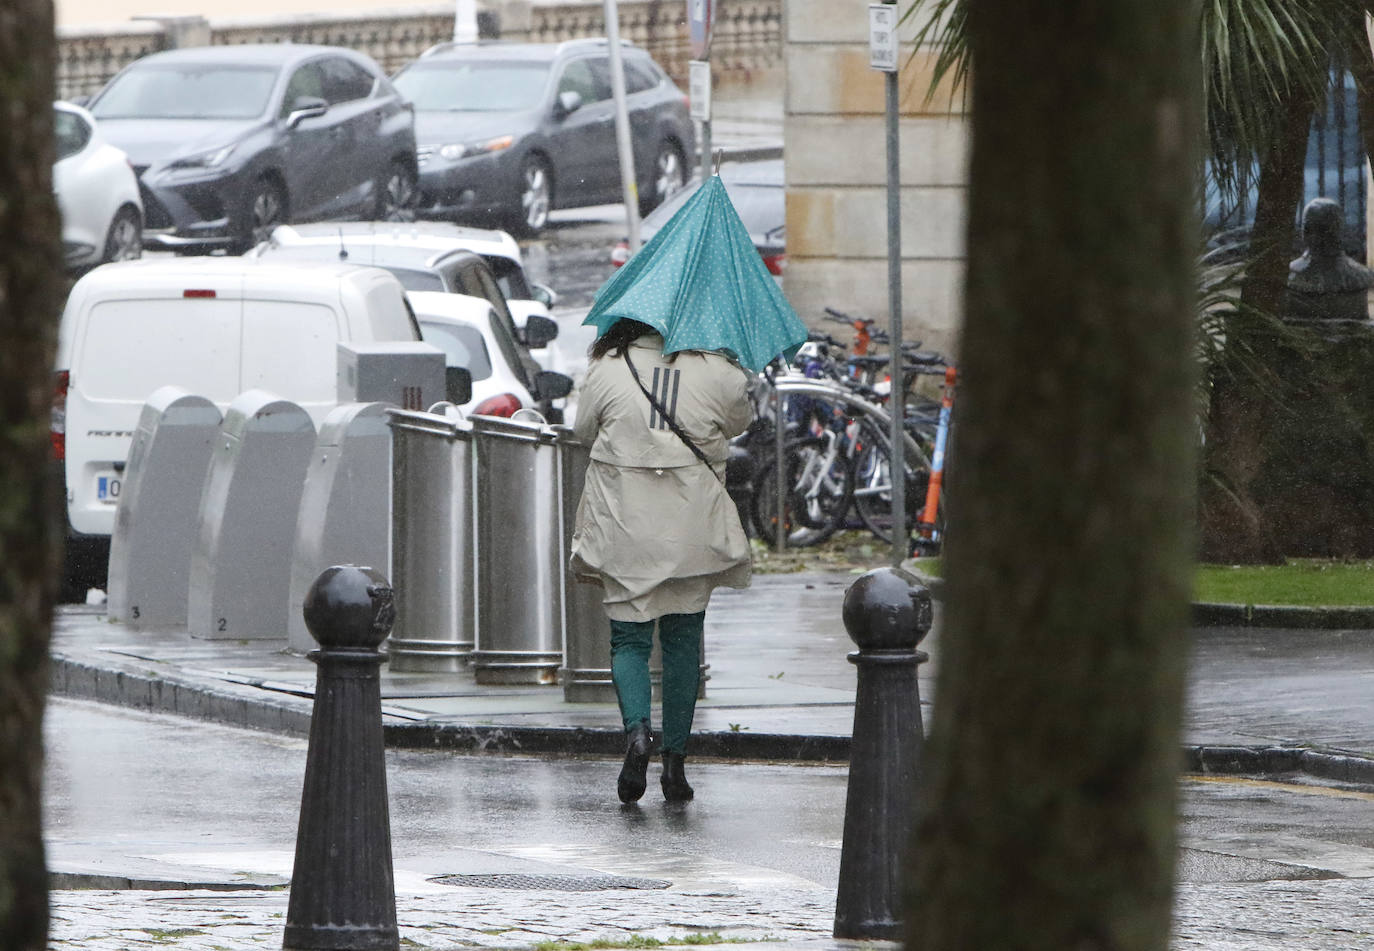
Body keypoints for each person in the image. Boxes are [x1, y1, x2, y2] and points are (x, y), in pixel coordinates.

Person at [571, 318, 754, 804]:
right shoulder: (717, 371)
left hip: (625, 524)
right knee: (682, 641)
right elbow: (740, 422)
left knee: (628, 641)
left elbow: (581, 429)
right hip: (691, 527)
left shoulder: (608, 367)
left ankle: (636, 734)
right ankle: (675, 766)